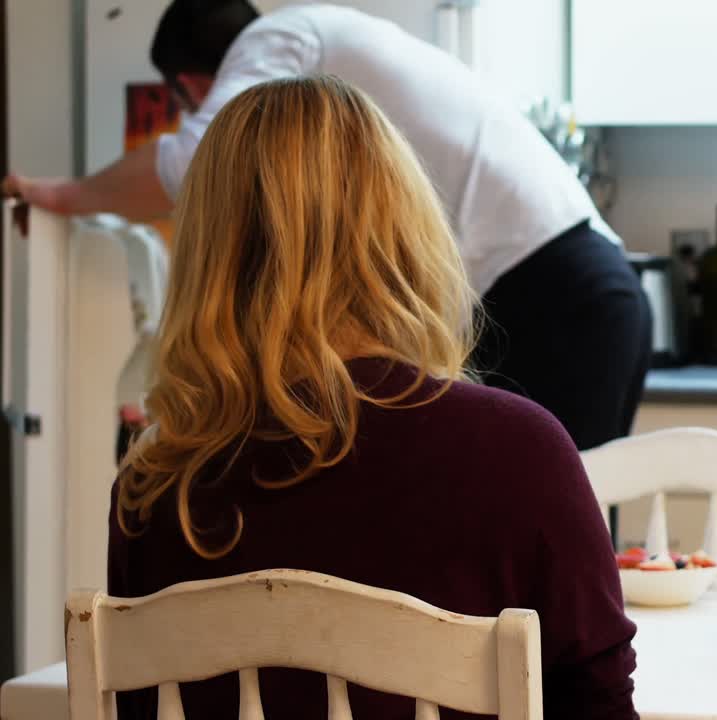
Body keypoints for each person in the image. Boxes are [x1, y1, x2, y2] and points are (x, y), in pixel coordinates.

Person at [109, 75, 637, 719]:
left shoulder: (153, 491)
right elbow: (599, 707)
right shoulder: (520, 454)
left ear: (209, 255)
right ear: (404, 228)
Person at [5, 0, 649, 452]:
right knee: (565, 553)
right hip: (589, 289)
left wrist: (61, 194)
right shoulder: (328, 35)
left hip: (555, 300)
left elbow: (200, 159)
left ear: (192, 84)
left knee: (548, 567)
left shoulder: (275, 43)